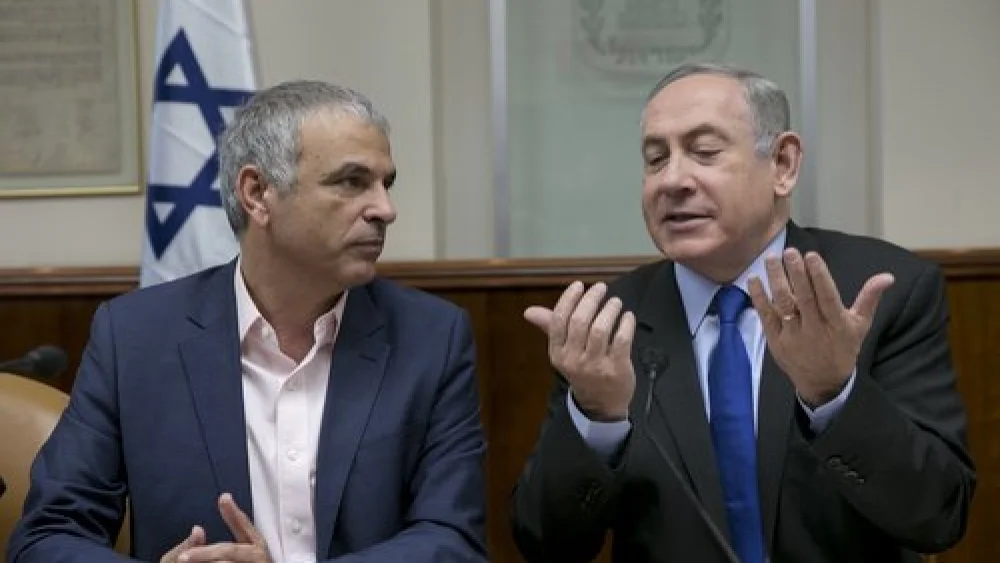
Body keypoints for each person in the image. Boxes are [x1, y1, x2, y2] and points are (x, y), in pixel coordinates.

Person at [509, 63, 975, 563]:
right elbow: (545, 543)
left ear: (783, 164)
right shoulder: (608, 323)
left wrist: (834, 393)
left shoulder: (877, 293)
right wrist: (597, 417)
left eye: (704, 152)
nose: (673, 180)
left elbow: (938, 516)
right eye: (654, 158)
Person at [8, 80, 488, 563]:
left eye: (387, 183)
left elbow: (453, 541)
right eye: (352, 182)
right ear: (257, 193)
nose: (385, 209)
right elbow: (48, 536)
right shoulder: (136, 338)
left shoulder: (431, 339)